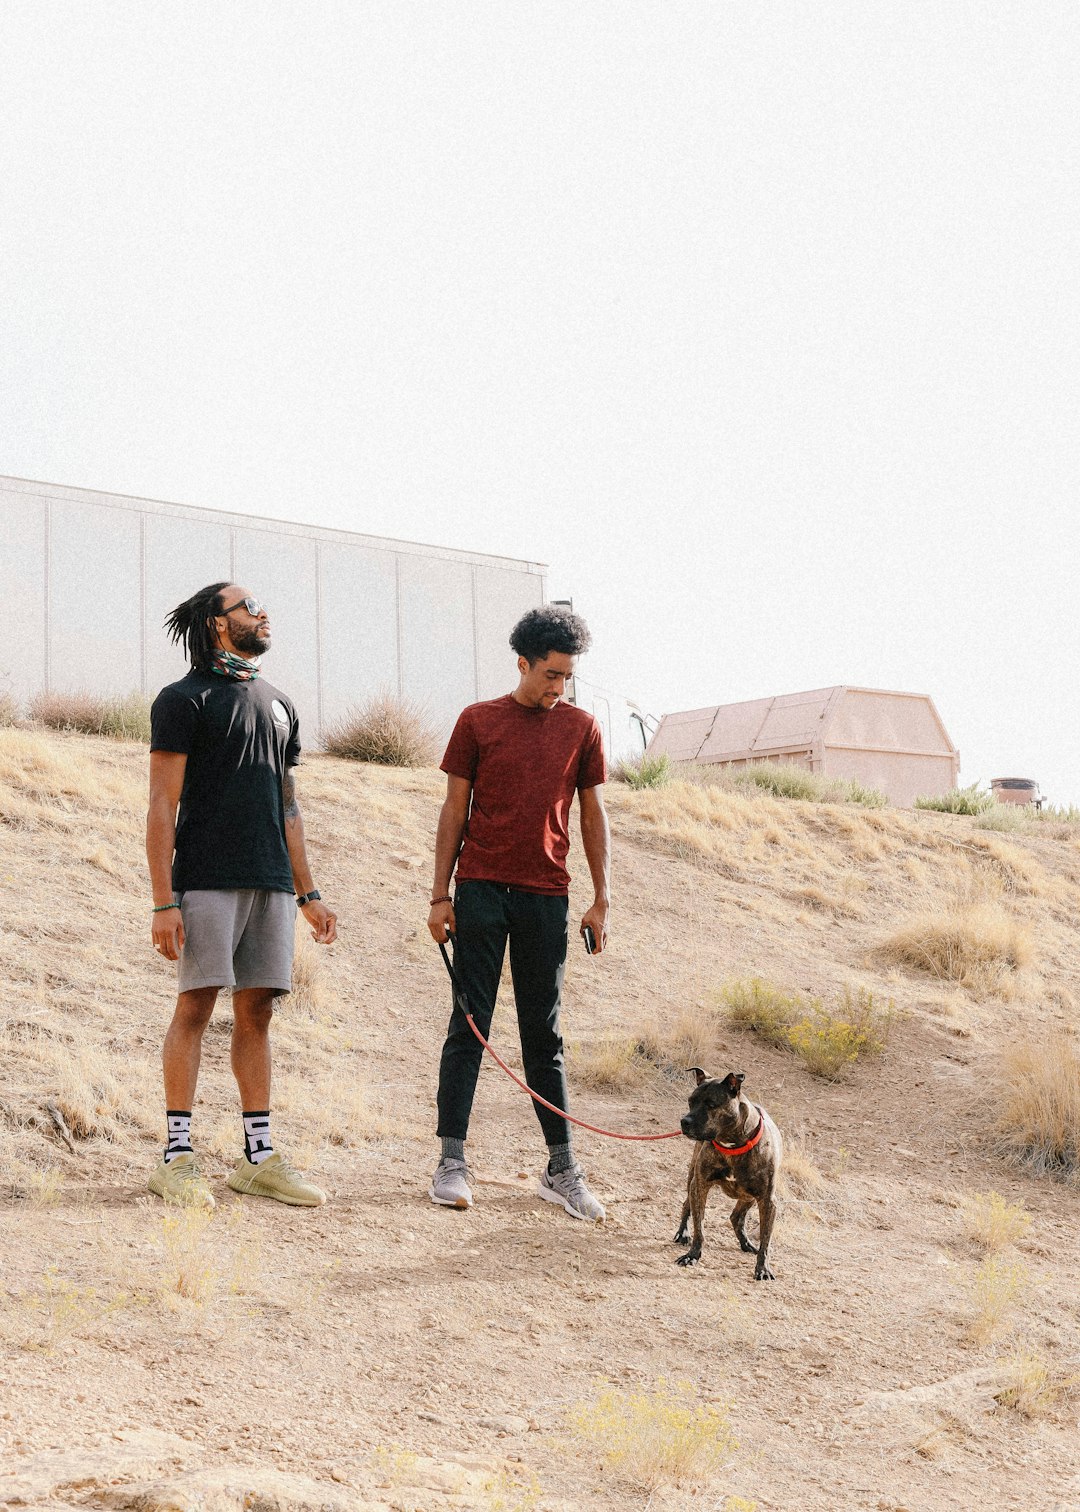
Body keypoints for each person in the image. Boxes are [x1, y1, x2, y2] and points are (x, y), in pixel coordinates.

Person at [146, 582, 337, 1209]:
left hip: (272, 884)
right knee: (195, 1009)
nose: (263, 613)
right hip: (204, 880)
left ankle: (258, 1159)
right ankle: (176, 1157)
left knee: (258, 1016)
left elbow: (288, 805)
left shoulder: (279, 704)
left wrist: (308, 892)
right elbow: (161, 805)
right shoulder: (183, 700)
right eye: (249, 607)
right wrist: (162, 900)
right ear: (217, 624)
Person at [426, 604, 610, 1220]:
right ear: (523, 664)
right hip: (479, 889)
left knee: (545, 1036)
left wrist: (601, 897)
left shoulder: (581, 729)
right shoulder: (477, 721)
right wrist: (439, 894)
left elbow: (591, 815)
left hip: (545, 897)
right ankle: (451, 1162)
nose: (559, 688)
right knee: (469, 1025)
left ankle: (562, 1169)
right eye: (550, 675)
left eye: (567, 678)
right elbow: (454, 809)